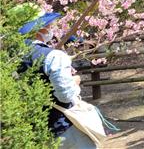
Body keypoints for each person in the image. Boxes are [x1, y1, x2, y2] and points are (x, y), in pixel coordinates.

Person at [18, 10, 96, 149]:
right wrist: (75, 81)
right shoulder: (53, 56)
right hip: (63, 125)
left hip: (32, 129)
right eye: (48, 25)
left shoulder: (10, 59)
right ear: (39, 29)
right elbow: (66, 96)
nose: (50, 29)